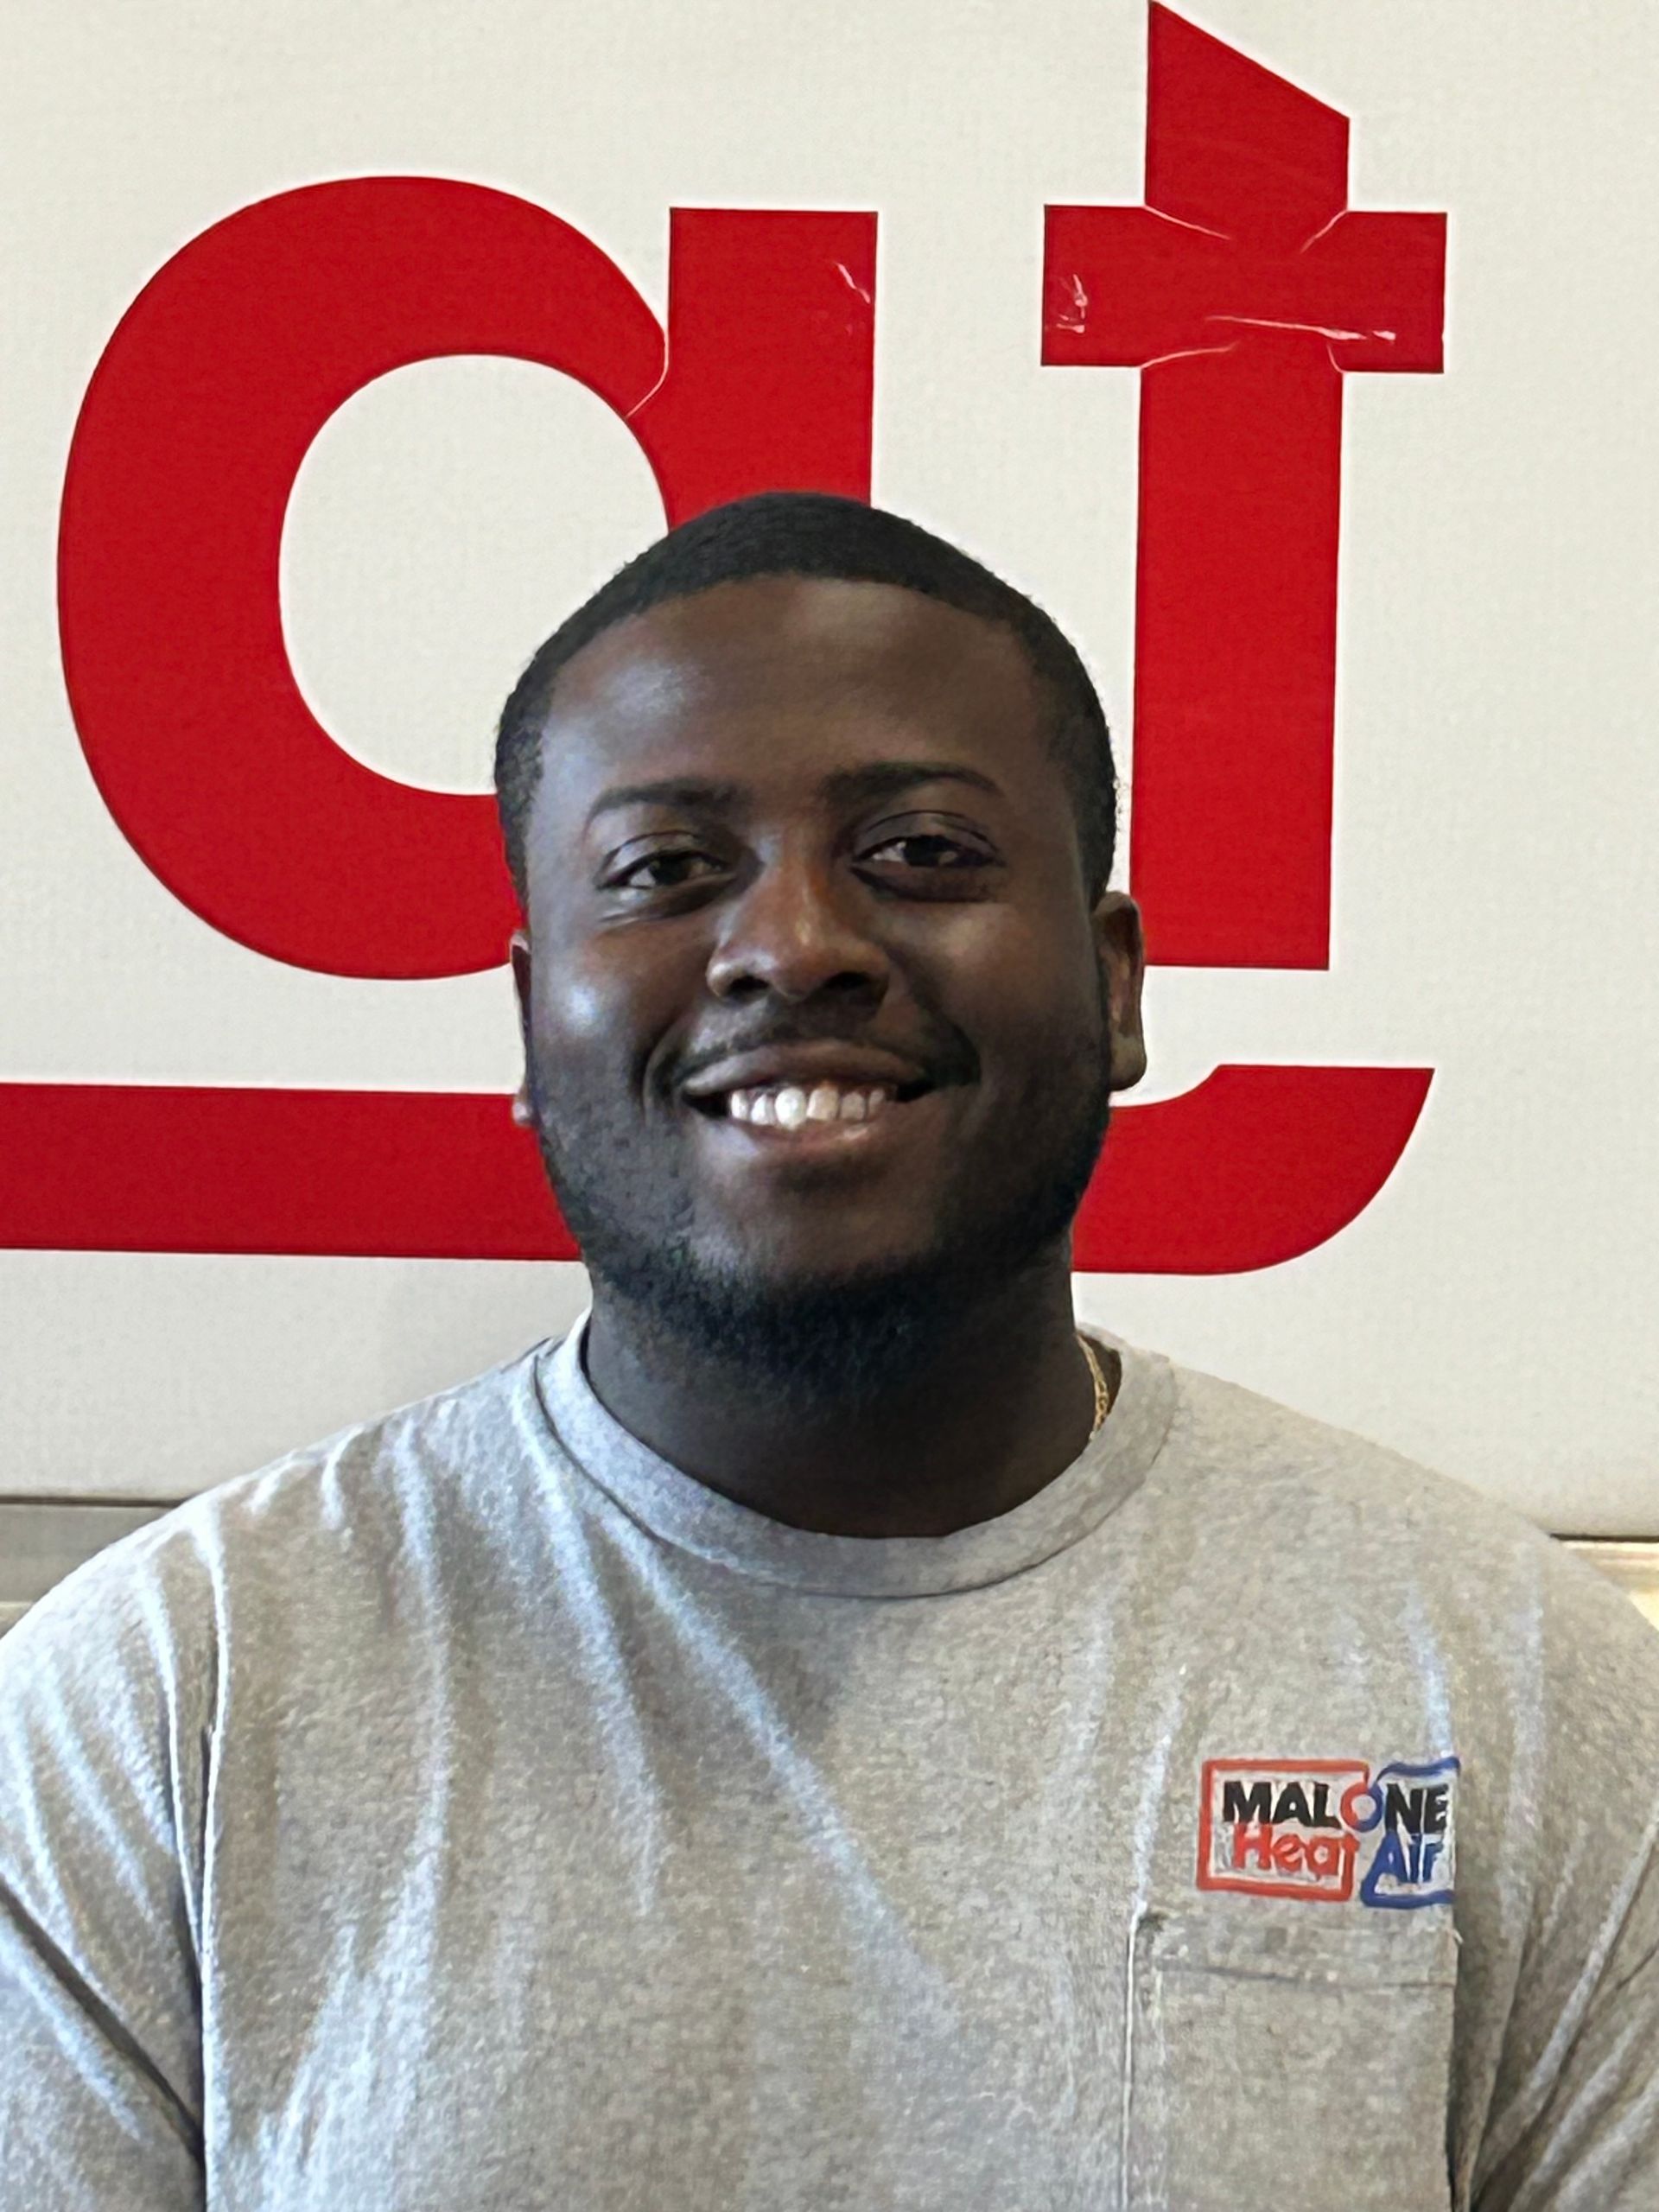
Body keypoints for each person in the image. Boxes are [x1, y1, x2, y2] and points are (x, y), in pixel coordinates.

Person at [1, 493, 1655, 2211]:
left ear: (1115, 986)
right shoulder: (163, 1710)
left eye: (920, 852)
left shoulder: (1514, 1690)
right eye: (666, 870)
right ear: (532, 1017)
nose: (791, 946)